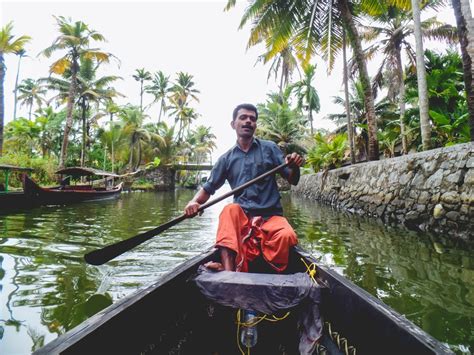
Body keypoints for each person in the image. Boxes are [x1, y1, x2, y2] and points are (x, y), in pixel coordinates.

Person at [184, 103, 303, 272]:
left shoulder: (269, 148)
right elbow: (207, 189)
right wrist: (193, 202)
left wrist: (295, 166)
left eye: (252, 119)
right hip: (243, 220)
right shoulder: (226, 159)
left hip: (271, 217)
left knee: (287, 235)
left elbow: (293, 180)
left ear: (255, 125)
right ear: (233, 124)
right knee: (229, 211)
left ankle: (270, 272)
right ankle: (229, 273)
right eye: (243, 118)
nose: (248, 121)